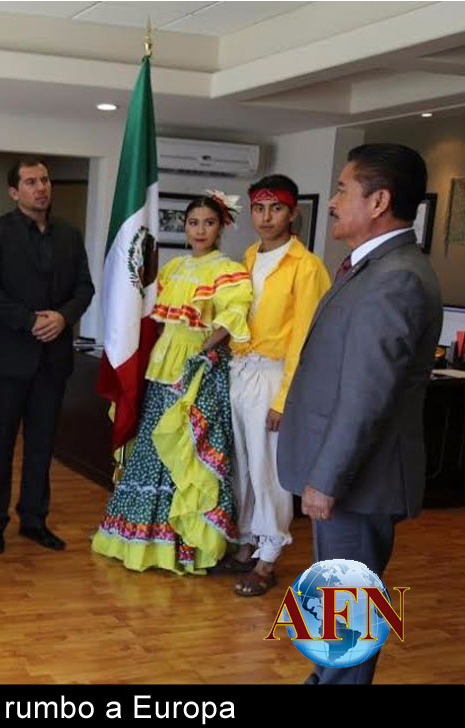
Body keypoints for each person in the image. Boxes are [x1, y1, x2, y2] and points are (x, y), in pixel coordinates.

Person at [277, 144, 442, 685]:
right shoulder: (371, 267)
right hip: (348, 473)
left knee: (350, 603)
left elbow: (367, 394)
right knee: (336, 594)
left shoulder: (395, 278)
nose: (333, 201)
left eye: (343, 190)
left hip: (357, 478)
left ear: (379, 201)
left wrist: (326, 478)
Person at [91, 193, 252, 574]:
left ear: (221, 227)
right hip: (162, 365)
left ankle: (185, 543)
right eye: (193, 222)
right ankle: (141, 537)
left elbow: (231, 319)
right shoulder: (174, 267)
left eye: (208, 223)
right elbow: (153, 317)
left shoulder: (228, 270)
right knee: (153, 447)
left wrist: (201, 355)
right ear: (184, 226)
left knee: (185, 450)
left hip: (196, 368)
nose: (200, 230)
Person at [0, 157, 94, 553]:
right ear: (14, 192)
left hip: (54, 358)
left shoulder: (70, 236)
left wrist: (63, 317)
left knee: (42, 444)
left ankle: (34, 519)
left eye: (44, 180)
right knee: (0, 444)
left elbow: (84, 288)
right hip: (9, 356)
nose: (41, 188)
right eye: (30, 182)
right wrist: (28, 320)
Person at [221, 175, 331, 597]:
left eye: (277, 209)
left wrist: (286, 398)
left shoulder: (306, 267)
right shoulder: (248, 256)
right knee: (244, 467)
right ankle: (247, 541)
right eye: (260, 209)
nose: (267, 218)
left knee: (268, 469)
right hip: (241, 368)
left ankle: (268, 559)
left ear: (293, 212)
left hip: (274, 376)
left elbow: (306, 338)